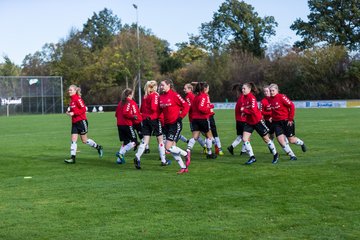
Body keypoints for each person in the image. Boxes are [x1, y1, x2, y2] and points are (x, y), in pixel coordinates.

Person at [240, 82, 279, 164]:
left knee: (266, 139)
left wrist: (244, 110)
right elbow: (246, 109)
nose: (242, 90)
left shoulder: (252, 97)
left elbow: (253, 111)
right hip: (249, 122)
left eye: (244, 88)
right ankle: (252, 157)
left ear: (249, 89)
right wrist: (244, 113)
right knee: (244, 139)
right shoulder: (243, 98)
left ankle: (275, 154)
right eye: (242, 88)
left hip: (257, 121)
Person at [134, 80, 170, 168]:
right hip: (153, 119)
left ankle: (137, 156)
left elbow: (141, 110)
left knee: (145, 141)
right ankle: (163, 160)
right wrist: (162, 108)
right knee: (160, 139)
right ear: (155, 87)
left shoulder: (145, 96)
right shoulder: (155, 95)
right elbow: (154, 108)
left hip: (145, 119)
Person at [64, 84, 103, 164]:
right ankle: (73, 158)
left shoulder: (78, 99)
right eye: (69, 90)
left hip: (82, 122)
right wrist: (68, 112)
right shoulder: (71, 101)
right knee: (73, 140)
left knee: (84, 140)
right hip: (74, 123)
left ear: (75, 91)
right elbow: (73, 111)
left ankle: (98, 147)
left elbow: (83, 109)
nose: (69, 91)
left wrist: (73, 113)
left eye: (71, 90)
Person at [159, 79, 190, 174]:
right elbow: (159, 111)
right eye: (160, 85)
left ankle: (186, 154)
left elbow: (186, 106)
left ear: (168, 85)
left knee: (168, 147)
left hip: (175, 124)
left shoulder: (175, 95)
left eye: (162, 85)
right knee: (171, 148)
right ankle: (183, 167)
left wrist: (180, 117)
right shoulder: (161, 97)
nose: (161, 87)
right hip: (166, 125)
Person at [268, 83, 307, 160]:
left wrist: (290, 118)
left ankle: (301, 143)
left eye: (273, 90)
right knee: (280, 140)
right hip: (277, 123)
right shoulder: (269, 99)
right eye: (270, 91)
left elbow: (291, 105)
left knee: (291, 140)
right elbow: (274, 110)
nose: (271, 92)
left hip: (286, 121)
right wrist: (271, 117)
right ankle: (292, 156)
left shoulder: (282, 97)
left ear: (277, 90)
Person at [186, 82, 217, 159]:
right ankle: (209, 153)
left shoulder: (196, 96)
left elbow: (195, 107)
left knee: (195, 137)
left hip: (194, 119)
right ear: (205, 89)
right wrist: (209, 108)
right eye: (208, 88)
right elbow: (201, 108)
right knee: (209, 136)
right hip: (202, 119)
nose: (208, 90)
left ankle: (188, 151)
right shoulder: (204, 96)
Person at [115, 88, 141, 168]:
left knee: (125, 142)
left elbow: (116, 114)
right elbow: (125, 113)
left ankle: (119, 160)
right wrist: (133, 116)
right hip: (127, 124)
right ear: (130, 95)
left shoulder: (120, 103)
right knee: (135, 142)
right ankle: (120, 153)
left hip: (120, 125)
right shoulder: (128, 102)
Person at [182, 83, 207, 153]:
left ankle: (210, 145)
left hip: (193, 118)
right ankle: (207, 147)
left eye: (185, 88)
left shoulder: (188, 96)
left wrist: (181, 109)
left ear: (190, 89)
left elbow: (190, 107)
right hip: (196, 118)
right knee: (201, 134)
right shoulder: (192, 96)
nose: (183, 90)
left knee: (197, 135)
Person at [227, 83, 247, 156]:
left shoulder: (240, 98)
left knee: (241, 136)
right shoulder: (243, 98)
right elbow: (243, 110)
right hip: (243, 121)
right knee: (246, 136)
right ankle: (242, 151)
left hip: (239, 121)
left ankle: (233, 148)